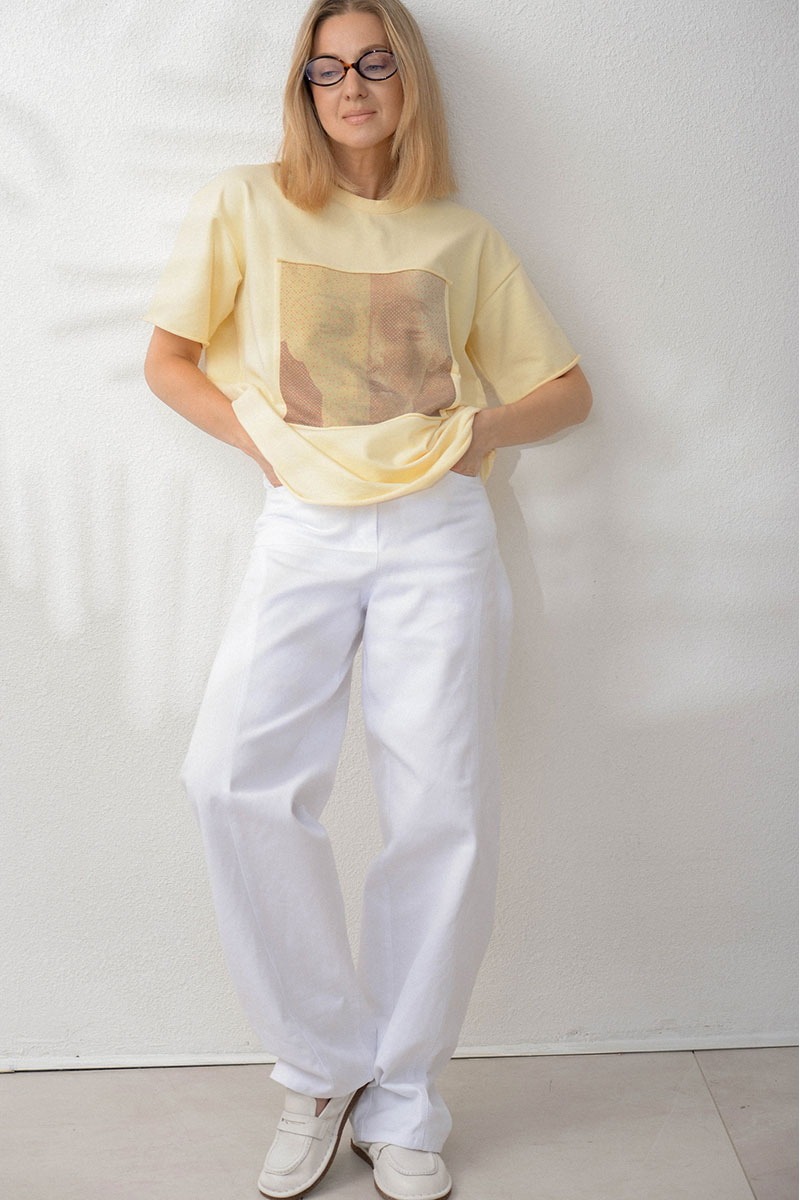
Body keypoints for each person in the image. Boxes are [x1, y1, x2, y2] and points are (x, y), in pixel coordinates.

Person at [142, 1, 592, 1197]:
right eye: (325, 69)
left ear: (407, 80)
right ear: (302, 88)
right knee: (229, 778)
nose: (349, 86)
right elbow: (168, 360)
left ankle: (404, 1101)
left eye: (373, 63)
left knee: (440, 809)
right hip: (304, 528)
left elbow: (566, 390)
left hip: (438, 534)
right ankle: (322, 1065)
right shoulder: (246, 203)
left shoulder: (461, 233)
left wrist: (476, 436)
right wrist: (263, 444)